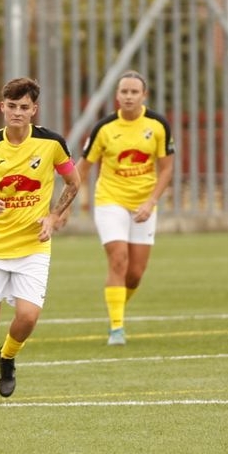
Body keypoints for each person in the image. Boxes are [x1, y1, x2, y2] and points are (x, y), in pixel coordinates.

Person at [0, 77, 79, 404]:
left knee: (28, 316)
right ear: (2, 107)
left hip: (32, 245)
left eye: (23, 107)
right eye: (11, 106)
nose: (17, 112)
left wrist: (54, 217)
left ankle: (8, 356)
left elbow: (73, 182)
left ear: (33, 110)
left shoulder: (52, 143)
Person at [74, 71, 175, 345]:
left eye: (134, 92)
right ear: (117, 96)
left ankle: (116, 305)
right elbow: (82, 168)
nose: (129, 96)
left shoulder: (157, 125)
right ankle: (117, 328)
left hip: (143, 205)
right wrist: (60, 208)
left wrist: (151, 200)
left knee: (135, 274)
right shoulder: (104, 128)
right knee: (118, 259)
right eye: (124, 92)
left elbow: (166, 169)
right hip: (110, 201)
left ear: (144, 95)